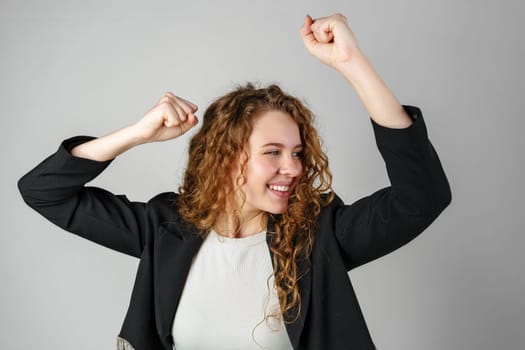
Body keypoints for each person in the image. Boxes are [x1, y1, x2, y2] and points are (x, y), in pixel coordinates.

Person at [18, 13, 451, 350]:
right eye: (272, 153)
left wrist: (352, 64)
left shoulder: (318, 236)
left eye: (297, 153)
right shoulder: (165, 227)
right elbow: (44, 191)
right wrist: (137, 134)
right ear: (225, 159)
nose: (295, 168)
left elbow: (422, 197)